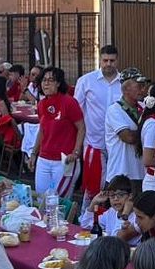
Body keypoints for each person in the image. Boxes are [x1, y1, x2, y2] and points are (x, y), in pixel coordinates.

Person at [74, 45, 123, 201]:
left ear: (117, 61)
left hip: (118, 143)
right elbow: (77, 112)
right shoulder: (86, 81)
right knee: (93, 186)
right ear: (100, 60)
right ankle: (87, 218)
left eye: (112, 60)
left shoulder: (125, 82)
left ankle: (109, 219)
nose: (109, 64)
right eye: (105, 60)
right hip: (94, 142)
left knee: (117, 186)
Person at [29, 67, 84, 198]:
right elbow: (42, 130)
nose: (46, 83)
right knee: (41, 200)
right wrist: (33, 153)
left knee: (58, 203)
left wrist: (76, 152)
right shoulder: (41, 104)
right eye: (44, 80)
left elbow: (81, 128)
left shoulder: (69, 102)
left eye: (51, 80)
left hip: (64, 161)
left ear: (58, 83)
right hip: (44, 159)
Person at [103, 68, 148, 183]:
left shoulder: (144, 107)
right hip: (120, 175)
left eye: (144, 85)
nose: (143, 89)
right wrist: (149, 132)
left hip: (141, 174)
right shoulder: (114, 110)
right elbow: (129, 137)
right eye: (139, 86)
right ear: (125, 89)